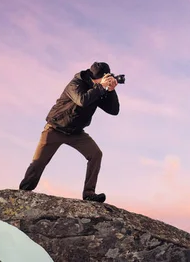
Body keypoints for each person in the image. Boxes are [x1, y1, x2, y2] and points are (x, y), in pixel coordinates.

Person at [19, 61, 120, 202]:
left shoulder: (99, 89)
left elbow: (114, 111)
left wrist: (111, 91)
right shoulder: (76, 83)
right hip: (55, 128)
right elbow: (82, 100)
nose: (105, 81)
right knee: (39, 161)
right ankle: (23, 192)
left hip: (76, 133)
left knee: (96, 154)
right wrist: (101, 87)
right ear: (94, 77)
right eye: (103, 78)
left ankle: (89, 194)